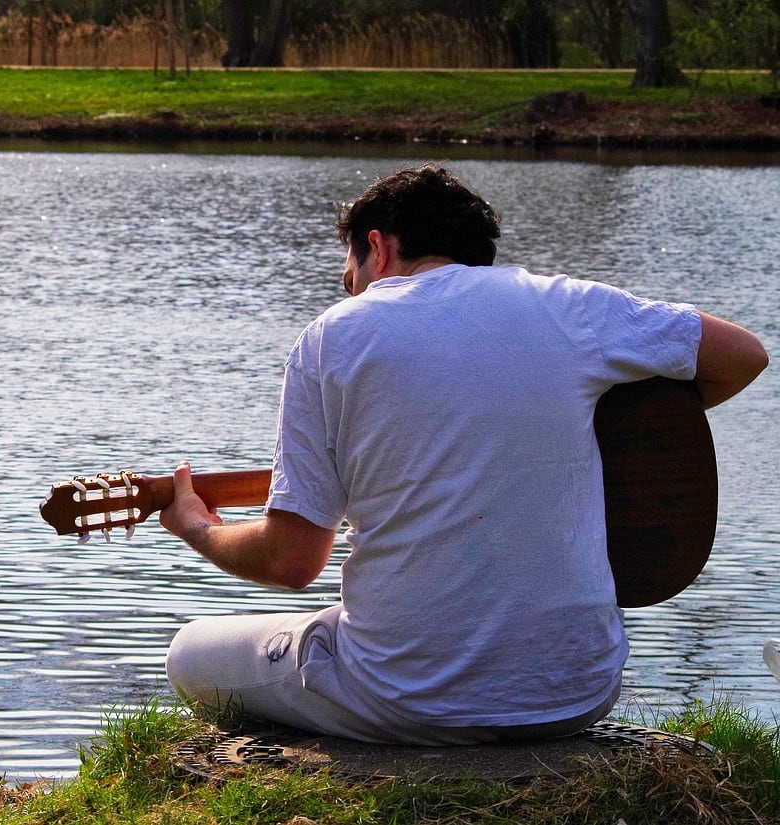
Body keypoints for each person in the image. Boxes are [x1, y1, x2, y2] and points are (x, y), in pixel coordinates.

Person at [160, 164, 768, 745]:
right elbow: (744, 355)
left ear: (378, 248)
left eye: (350, 273)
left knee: (189, 650)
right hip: (577, 694)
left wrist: (197, 528)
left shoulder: (333, 335)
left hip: (404, 699)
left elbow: (291, 561)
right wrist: (619, 434)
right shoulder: (570, 305)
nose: (349, 289)